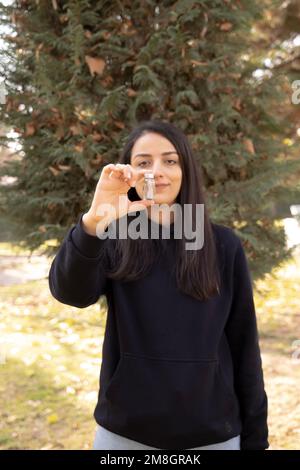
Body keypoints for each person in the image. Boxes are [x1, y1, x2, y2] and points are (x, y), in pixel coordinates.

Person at [48, 120, 269, 450]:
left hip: (212, 435)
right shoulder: (114, 236)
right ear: (129, 174)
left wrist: (256, 439)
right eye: (143, 163)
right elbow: (70, 293)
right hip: (125, 435)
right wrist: (94, 221)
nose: (157, 171)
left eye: (170, 160)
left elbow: (244, 347)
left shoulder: (223, 245)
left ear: (186, 169)